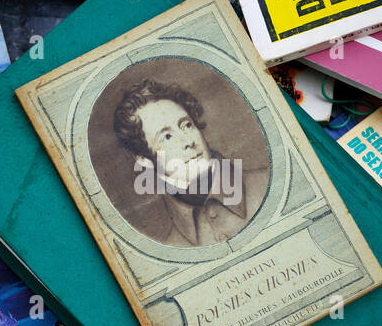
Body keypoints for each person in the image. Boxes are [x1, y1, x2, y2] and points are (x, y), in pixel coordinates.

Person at [113, 77, 269, 246]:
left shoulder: (267, 182)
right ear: (144, 160)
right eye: (167, 137)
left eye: (186, 126)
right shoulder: (171, 247)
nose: (187, 141)